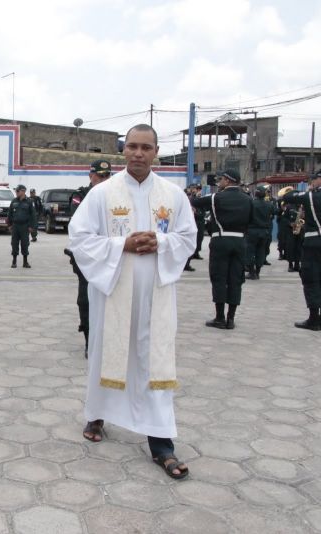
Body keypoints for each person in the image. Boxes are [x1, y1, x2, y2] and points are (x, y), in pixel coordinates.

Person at [67, 124, 196, 480]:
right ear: (123, 150)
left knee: (153, 362)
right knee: (108, 351)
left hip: (156, 293)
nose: (138, 153)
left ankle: (161, 443)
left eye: (146, 147)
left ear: (156, 151)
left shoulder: (174, 195)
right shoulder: (102, 193)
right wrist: (120, 245)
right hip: (113, 291)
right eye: (132, 147)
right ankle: (97, 413)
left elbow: (187, 238)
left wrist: (162, 244)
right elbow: (79, 237)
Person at [281, 168, 321, 330]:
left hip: (315, 240)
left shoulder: (311, 196)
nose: (313, 182)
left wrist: (309, 190)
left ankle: (313, 318)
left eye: (315, 179)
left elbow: (287, 196)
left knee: (311, 278)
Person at [190, 170, 253, 329]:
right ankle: (231, 318)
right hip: (240, 240)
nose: (219, 183)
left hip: (221, 239)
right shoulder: (248, 199)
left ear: (227, 180)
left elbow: (195, 202)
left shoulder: (216, 197)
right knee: (235, 279)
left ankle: (219, 317)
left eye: (221, 180)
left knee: (219, 277)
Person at [65, 159, 111, 357]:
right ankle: (89, 340)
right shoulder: (80, 196)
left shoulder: (118, 196)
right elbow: (79, 222)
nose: (102, 180)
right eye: (98, 176)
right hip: (87, 257)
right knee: (86, 300)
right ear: (91, 176)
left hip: (111, 255)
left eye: (106, 176)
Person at [245, 185, 275, 280]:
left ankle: (251, 272)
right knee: (261, 252)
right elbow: (275, 212)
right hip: (264, 231)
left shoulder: (251, 203)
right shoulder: (269, 204)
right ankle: (257, 272)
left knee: (249, 251)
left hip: (252, 231)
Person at [7, 184, 37, 268]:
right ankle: (14, 261)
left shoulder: (29, 202)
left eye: (17, 191)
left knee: (25, 244)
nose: (16, 192)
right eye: (16, 191)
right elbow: (9, 214)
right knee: (14, 244)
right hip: (15, 226)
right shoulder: (14, 201)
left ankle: (25, 262)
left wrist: (32, 226)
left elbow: (33, 215)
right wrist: (9, 225)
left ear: (23, 191)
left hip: (25, 226)